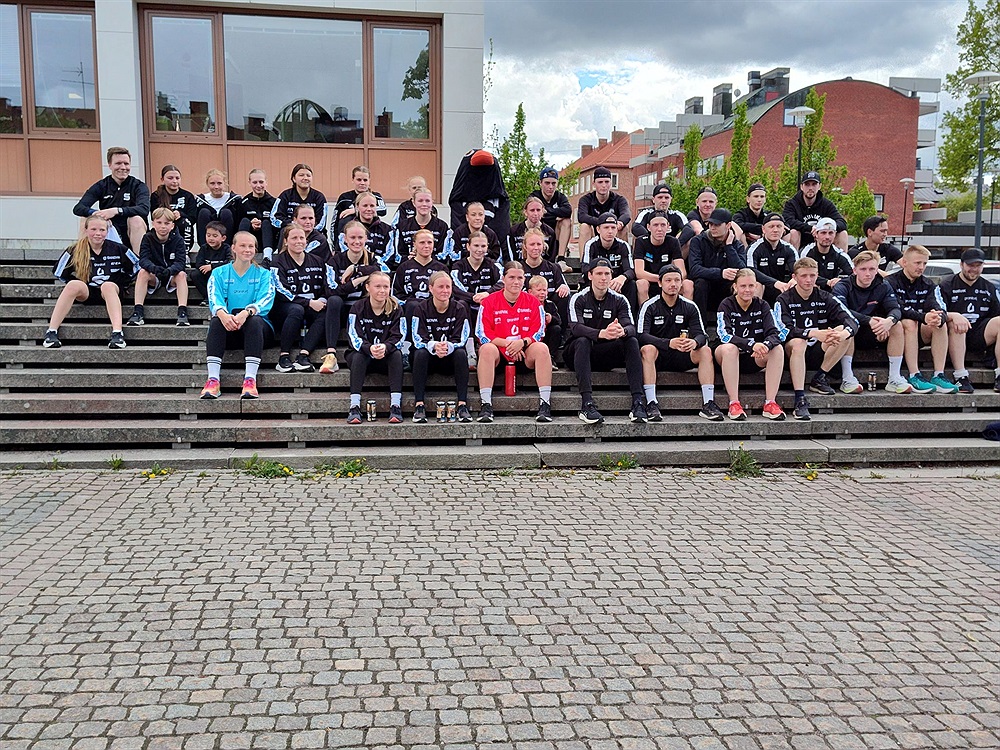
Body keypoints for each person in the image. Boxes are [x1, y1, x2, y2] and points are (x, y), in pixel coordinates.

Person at [773, 258, 858, 420]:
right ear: (794, 277)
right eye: (804, 276)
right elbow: (783, 330)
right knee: (799, 343)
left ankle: (819, 377)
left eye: (812, 276)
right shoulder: (783, 299)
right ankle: (800, 399)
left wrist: (842, 334)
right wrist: (813, 333)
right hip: (792, 353)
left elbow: (852, 320)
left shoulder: (825, 296)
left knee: (843, 332)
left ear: (817, 276)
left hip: (818, 351)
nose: (808, 280)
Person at [566, 259, 647, 424]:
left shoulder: (620, 299)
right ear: (590, 275)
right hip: (578, 354)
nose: (603, 278)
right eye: (599, 273)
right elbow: (576, 328)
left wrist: (621, 331)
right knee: (582, 340)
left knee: (631, 340)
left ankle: (638, 402)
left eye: (607, 274)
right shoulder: (578, 298)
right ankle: (587, 403)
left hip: (605, 354)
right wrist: (601, 333)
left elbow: (632, 327)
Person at [637, 265, 721, 422]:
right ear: (660, 283)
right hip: (658, 357)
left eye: (677, 280)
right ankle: (651, 403)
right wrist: (668, 343)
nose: (673, 284)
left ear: (682, 283)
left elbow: (702, 336)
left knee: (705, 351)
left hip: (682, 355)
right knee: (647, 349)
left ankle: (708, 403)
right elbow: (641, 336)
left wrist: (694, 342)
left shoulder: (690, 306)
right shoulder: (649, 305)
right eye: (668, 280)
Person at [199, 231, 275, 400]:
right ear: (233, 248)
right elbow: (214, 297)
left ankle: (250, 380)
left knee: (254, 321)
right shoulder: (219, 273)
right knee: (216, 321)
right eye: (243, 245)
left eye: (251, 246)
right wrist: (223, 314)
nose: (247, 250)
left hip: (259, 331)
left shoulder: (264, 274)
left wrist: (246, 313)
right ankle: (213, 380)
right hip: (230, 328)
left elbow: (267, 298)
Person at [475, 261, 553, 423]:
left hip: (524, 353)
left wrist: (522, 343)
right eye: (511, 277)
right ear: (503, 279)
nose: (516, 282)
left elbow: (539, 331)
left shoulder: (533, 302)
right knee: (487, 349)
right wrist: (509, 345)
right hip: (499, 354)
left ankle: (545, 403)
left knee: (542, 348)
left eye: (520, 278)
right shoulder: (489, 301)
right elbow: (482, 333)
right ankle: (486, 404)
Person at [44, 215, 138, 350]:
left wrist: (123, 282)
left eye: (102, 230)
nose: (98, 233)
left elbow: (137, 265)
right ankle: (51, 332)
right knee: (72, 285)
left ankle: (117, 333)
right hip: (88, 291)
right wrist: (75, 282)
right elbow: (59, 272)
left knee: (107, 286)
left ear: (107, 231)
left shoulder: (118, 248)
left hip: (111, 291)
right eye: (93, 229)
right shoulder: (75, 249)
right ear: (86, 230)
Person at [832, 250, 910, 394]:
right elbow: (842, 311)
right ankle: (847, 378)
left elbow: (895, 308)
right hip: (852, 332)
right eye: (863, 269)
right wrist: (869, 321)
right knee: (847, 326)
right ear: (855, 270)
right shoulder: (842, 286)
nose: (868, 274)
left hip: (874, 331)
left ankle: (894, 377)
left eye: (872, 269)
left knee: (897, 325)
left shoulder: (883, 285)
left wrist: (888, 322)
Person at [715, 268, 786, 420]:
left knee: (777, 349)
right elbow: (723, 335)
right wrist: (750, 344)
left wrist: (766, 345)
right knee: (730, 348)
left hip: (754, 357)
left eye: (751, 286)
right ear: (735, 287)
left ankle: (770, 403)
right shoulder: (726, 304)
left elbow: (775, 333)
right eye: (743, 286)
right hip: (727, 357)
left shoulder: (763, 305)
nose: (747, 290)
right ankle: (734, 403)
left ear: (756, 287)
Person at [885, 244, 957, 394]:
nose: (921, 267)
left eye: (924, 263)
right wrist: (924, 317)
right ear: (905, 262)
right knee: (910, 322)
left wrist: (938, 317)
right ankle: (914, 375)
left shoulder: (929, 284)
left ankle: (938, 375)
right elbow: (898, 308)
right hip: (895, 333)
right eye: (917, 263)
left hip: (919, 332)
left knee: (939, 323)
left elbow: (940, 306)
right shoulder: (890, 282)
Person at [325, 220, 389, 374]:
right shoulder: (335, 261)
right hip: (343, 309)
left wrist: (356, 269)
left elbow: (385, 273)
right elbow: (331, 291)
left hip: (364, 309)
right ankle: (331, 353)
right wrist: (355, 282)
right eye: (352, 238)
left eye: (360, 237)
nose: (357, 241)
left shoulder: (373, 258)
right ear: (345, 239)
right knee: (333, 301)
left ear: (366, 238)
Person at [410, 271, 473, 423]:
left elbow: (462, 337)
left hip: (449, 358)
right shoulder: (420, 308)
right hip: (429, 359)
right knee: (420, 353)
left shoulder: (459, 308)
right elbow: (417, 337)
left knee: (460, 354)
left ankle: (462, 405)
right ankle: (419, 405)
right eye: (440, 287)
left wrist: (448, 346)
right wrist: (433, 346)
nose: (445, 291)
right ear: (431, 288)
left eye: (448, 287)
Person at [270, 225, 332, 373]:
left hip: (312, 305)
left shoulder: (318, 261)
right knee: (296, 310)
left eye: (301, 238)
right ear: (286, 241)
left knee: (326, 313)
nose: (298, 241)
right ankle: (284, 357)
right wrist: (308, 302)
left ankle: (303, 355)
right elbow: (280, 290)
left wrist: (322, 300)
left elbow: (327, 285)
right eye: (294, 238)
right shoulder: (277, 262)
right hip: (285, 307)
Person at [346, 271, 405, 424]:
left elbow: (400, 336)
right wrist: (369, 348)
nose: (382, 290)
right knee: (358, 355)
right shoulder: (358, 307)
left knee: (396, 355)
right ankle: (354, 406)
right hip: (363, 357)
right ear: (368, 287)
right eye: (377, 286)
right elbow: (353, 335)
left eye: (386, 286)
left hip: (385, 357)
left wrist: (385, 347)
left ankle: (396, 405)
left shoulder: (396, 308)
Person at [939, 247, 1000, 393]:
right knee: (958, 323)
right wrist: (954, 316)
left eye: (978, 266)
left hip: (979, 333)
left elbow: (996, 314)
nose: (974, 269)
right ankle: (960, 376)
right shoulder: (947, 285)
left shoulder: (989, 287)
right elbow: (937, 312)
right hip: (953, 333)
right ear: (961, 265)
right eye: (970, 265)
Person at [73, 146, 149, 251]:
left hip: (130, 231)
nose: (123, 167)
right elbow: (78, 208)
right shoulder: (102, 185)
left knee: (136, 220)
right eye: (118, 163)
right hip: (108, 229)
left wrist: (116, 211)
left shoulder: (138, 186)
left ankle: (139, 260)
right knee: (86, 218)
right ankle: (83, 258)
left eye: (126, 164)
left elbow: (144, 209)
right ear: (109, 165)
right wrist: (97, 214)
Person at [127, 208, 190, 328]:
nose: (163, 226)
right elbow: (143, 259)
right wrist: (154, 268)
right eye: (159, 222)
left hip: (171, 275)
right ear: (153, 223)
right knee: (142, 273)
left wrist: (170, 270)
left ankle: (182, 312)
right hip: (154, 274)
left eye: (167, 223)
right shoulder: (147, 238)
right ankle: (138, 311)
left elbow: (180, 262)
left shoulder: (178, 239)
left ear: (172, 225)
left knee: (182, 275)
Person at [688, 208, 748, 319]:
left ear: (728, 225)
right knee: (701, 283)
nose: (712, 228)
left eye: (717, 225)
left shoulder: (736, 245)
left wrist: (729, 247)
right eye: (710, 224)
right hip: (706, 286)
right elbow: (694, 269)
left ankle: (734, 323)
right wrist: (720, 273)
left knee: (737, 284)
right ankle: (701, 325)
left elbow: (742, 271)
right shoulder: (698, 241)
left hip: (724, 288)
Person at [448, 148, 511, 243]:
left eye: (486, 170)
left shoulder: (500, 202)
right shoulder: (459, 202)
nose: (482, 174)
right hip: (466, 248)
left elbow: (502, 232)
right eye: (477, 171)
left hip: (492, 248)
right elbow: (458, 234)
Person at [521, 228, 571, 342]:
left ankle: (563, 335)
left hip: (549, 310)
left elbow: (564, 286)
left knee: (563, 295)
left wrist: (564, 287)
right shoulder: (519, 268)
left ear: (544, 246)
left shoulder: (553, 267)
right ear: (525, 246)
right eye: (532, 244)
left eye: (539, 244)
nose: (536, 247)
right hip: (526, 311)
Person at [581, 212, 636, 311]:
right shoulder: (591, 244)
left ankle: (629, 316)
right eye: (606, 228)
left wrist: (622, 278)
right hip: (597, 280)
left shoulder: (624, 245)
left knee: (631, 285)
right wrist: (605, 281)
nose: (610, 231)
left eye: (613, 228)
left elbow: (630, 270)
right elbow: (585, 268)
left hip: (617, 282)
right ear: (598, 229)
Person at [392, 229, 449, 324]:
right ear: (414, 244)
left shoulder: (441, 268)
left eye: (429, 242)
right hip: (411, 309)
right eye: (422, 242)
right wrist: (411, 302)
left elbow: (448, 292)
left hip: (436, 309)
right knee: (413, 305)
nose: (426, 246)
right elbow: (396, 294)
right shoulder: (404, 267)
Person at [632, 211, 688, 305]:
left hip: (668, 280)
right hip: (650, 279)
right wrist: (662, 279)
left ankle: (684, 312)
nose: (659, 229)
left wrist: (671, 280)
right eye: (655, 225)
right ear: (648, 227)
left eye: (663, 225)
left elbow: (682, 271)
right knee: (641, 284)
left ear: (668, 226)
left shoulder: (673, 241)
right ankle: (645, 312)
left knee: (688, 285)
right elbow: (639, 272)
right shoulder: (641, 241)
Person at [782, 171, 848, 251]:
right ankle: (793, 258)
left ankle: (842, 258)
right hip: (801, 240)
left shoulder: (826, 204)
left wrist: (824, 228)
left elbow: (842, 222)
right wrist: (809, 228)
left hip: (822, 240)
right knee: (793, 232)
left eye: (814, 184)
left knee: (843, 234)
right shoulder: (792, 204)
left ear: (819, 186)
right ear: (801, 187)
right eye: (807, 184)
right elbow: (787, 221)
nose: (810, 188)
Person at [388, 189, 451, 268]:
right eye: (420, 201)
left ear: (432, 202)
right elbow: (397, 255)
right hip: (408, 267)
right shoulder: (402, 226)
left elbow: (444, 255)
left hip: (434, 268)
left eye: (427, 201)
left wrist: (425, 258)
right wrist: (410, 258)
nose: (424, 204)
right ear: (413, 203)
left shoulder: (442, 227)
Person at [746, 212, 797, 304]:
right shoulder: (754, 248)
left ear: (784, 229)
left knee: (797, 282)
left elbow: (797, 270)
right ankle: (755, 312)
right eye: (771, 226)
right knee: (756, 283)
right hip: (763, 288)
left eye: (779, 226)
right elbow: (750, 270)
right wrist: (774, 283)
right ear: (763, 229)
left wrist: (794, 280)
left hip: (782, 288)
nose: (775, 230)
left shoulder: (789, 248)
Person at [577, 166, 630, 247]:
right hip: (594, 234)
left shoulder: (619, 199)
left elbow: (626, 215)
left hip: (612, 234)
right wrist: (602, 222)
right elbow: (581, 216)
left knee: (624, 227)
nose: (604, 185)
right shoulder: (586, 199)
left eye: (607, 182)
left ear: (610, 183)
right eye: (600, 182)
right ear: (593, 184)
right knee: (584, 227)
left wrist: (618, 223)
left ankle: (622, 254)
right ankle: (585, 255)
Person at [149, 164, 198, 251]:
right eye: (170, 178)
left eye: (177, 178)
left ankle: (184, 251)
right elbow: (154, 216)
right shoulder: (156, 196)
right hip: (164, 228)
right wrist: (167, 216)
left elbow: (193, 217)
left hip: (183, 229)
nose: (174, 181)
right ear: (162, 179)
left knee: (184, 222)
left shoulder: (188, 196)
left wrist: (180, 214)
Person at [798, 217, 854, 292]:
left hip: (833, 291)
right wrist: (827, 282)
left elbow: (854, 275)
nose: (827, 237)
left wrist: (840, 280)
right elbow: (802, 273)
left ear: (835, 234)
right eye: (823, 233)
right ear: (816, 234)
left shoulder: (840, 254)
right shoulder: (807, 252)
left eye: (831, 233)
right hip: (811, 290)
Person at [271, 163, 328, 235]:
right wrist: (294, 224)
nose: (305, 178)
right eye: (301, 175)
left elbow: (321, 223)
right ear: (294, 179)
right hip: (289, 232)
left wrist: (306, 229)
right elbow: (274, 218)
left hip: (313, 233)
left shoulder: (319, 197)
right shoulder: (285, 195)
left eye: (308, 175)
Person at [332, 165, 387, 236]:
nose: (362, 183)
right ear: (353, 180)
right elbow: (335, 222)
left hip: (372, 236)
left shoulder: (376, 196)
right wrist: (335, 240)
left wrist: (356, 211)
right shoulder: (344, 198)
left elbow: (383, 210)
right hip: (349, 237)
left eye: (365, 180)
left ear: (369, 180)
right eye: (359, 180)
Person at [530, 167, 572, 257]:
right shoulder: (534, 196)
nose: (550, 187)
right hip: (539, 230)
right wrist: (556, 215)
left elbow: (568, 211)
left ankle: (561, 257)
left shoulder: (560, 197)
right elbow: (534, 214)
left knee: (566, 221)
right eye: (547, 183)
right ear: (540, 183)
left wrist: (547, 211)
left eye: (553, 183)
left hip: (556, 232)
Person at [195, 169, 242, 248]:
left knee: (226, 213)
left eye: (219, 183)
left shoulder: (234, 200)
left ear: (225, 183)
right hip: (206, 240)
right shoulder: (200, 201)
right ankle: (205, 248)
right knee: (204, 212)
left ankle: (226, 248)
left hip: (228, 241)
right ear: (207, 184)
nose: (216, 187)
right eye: (212, 183)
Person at [237, 168, 276, 261]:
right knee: (245, 221)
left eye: (261, 182)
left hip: (268, 240)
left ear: (266, 182)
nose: (258, 185)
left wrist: (261, 223)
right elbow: (238, 223)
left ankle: (267, 256)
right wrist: (251, 223)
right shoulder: (243, 202)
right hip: (249, 239)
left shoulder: (274, 202)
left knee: (266, 222)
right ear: (249, 183)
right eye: (255, 182)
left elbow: (276, 224)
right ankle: (240, 251)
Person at [338, 192, 390, 260]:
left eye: (372, 206)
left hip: (379, 266)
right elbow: (341, 253)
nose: (369, 209)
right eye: (365, 206)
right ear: (357, 207)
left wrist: (374, 264)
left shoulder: (387, 230)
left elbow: (390, 256)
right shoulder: (347, 229)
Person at [190, 221, 231, 304]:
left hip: (222, 275)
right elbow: (199, 263)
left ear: (223, 238)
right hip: (207, 275)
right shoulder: (204, 248)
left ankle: (222, 297)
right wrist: (207, 268)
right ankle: (208, 297)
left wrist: (212, 267)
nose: (211, 238)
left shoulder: (226, 248)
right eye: (208, 235)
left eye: (215, 236)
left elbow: (229, 262)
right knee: (195, 274)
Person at [507, 196, 557, 263]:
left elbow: (551, 257)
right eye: (532, 210)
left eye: (538, 210)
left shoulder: (549, 232)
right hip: (519, 267)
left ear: (543, 211)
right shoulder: (514, 231)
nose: (535, 214)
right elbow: (510, 255)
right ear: (525, 212)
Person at [527, 275, 562, 366]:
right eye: (539, 290)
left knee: (556, 329)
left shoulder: (550, 304)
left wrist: (551, 318)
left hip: (546, 335)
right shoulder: (526, 305)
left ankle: (551, 357)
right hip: (531, 336)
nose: (542, 293)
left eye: (544, 290)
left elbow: (559, 321)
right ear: (530, 292)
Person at [677, 187, 719, 256]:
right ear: (697, 202)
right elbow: (698, 230)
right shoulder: (693, 214)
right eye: (704, 201)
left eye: (711, 202)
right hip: (695, 251)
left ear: (716, 203)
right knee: (690, 237)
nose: (707, 205)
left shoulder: (719, 215)